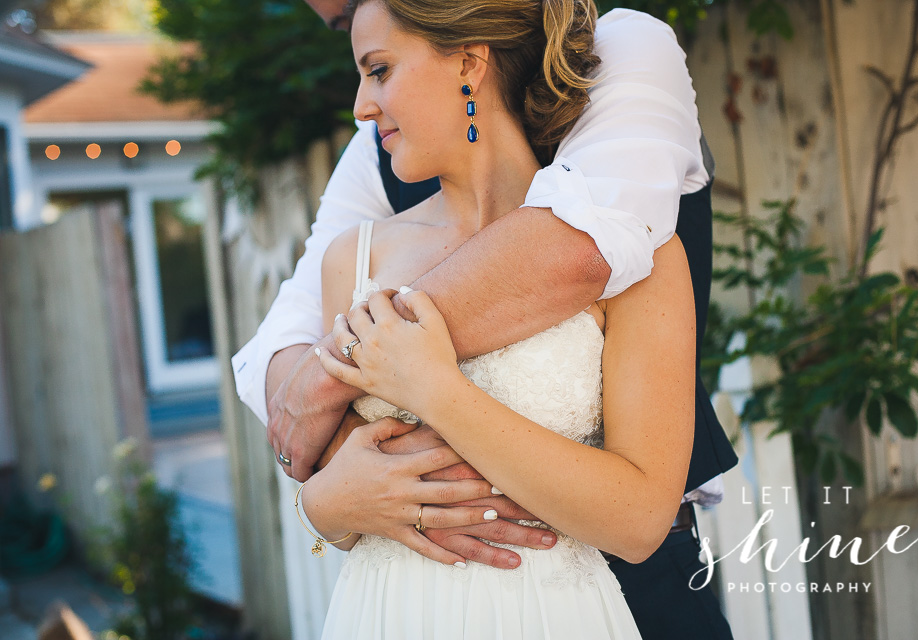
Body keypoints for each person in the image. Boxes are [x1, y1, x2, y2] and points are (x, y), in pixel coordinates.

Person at [232, 0, 738, 637]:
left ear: (469, 62)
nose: (360, 107)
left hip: (578, 604)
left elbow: (638, 518)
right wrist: (325, 504)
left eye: (379, 70)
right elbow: (290, 383)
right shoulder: (355, 254)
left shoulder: (639, 232)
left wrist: (432, 389)